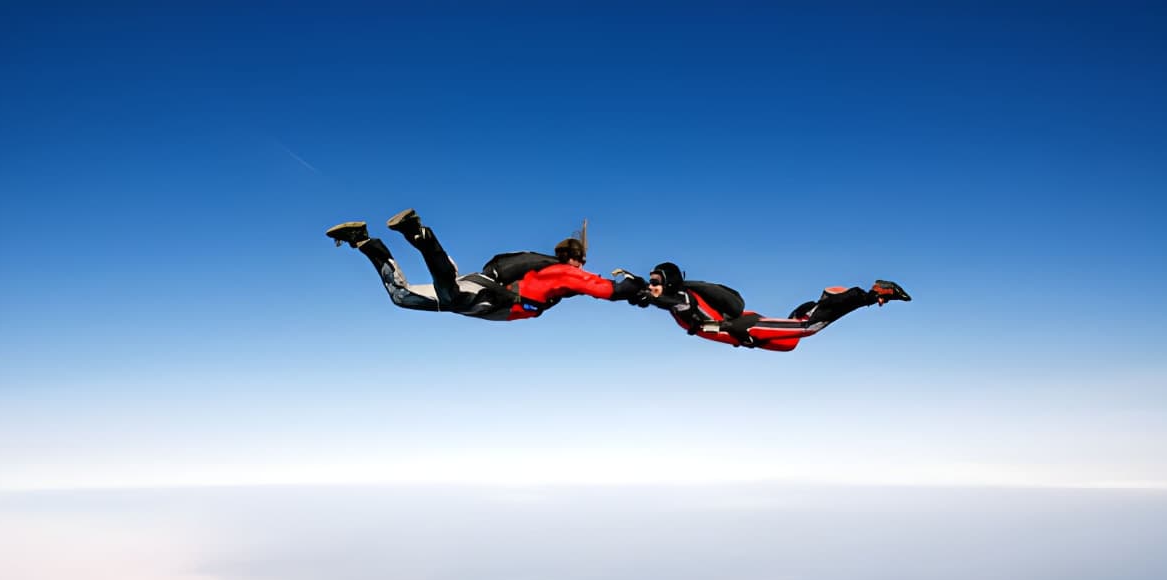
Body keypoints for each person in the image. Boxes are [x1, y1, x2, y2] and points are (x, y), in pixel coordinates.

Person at [326, 210, 645, 321]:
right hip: (487, 299)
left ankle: (363, 240)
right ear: (574, 259)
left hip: (479, 289)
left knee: (401, 297)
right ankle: (418, 233)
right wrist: (637, 288)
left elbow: (584, 287)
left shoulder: (549, 269)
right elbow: (603, 290)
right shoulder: (563, 272)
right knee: (450, 292)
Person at [630, 262, 911, 351]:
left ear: (669, 283)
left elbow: (667, 300)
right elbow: (659, 300)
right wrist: (631, 291)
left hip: (745, 326)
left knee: (807, 328)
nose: (654, 286)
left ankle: (873, 293)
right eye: (652, 281)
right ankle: (826, 299)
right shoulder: (673, 299)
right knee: (790, 345)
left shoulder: (681, 299)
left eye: (657, 282)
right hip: (740, 332)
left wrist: (649, 295)